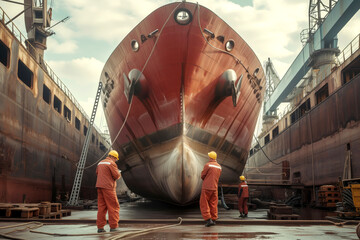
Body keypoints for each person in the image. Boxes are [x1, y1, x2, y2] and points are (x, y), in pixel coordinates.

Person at [96, 150, 121, 233]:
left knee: (101, 207)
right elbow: (116, 176)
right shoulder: (111, 163)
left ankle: (100, 228)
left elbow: (97, 173)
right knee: (114, 206)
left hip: (100, 187)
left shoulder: (100, 163)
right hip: (108, 188)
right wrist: (118, 173)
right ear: (113, 157)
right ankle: (113, 227)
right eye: (116, 159)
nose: (116, 160)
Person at [200, 151, 222, 227]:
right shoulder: (219, 166)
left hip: (206, 187)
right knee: (213, 203)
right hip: (214, 187)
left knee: (204, 203)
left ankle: (208, 220)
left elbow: (202, 175)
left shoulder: (208, 165)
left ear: (210, 157)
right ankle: (213, 219)